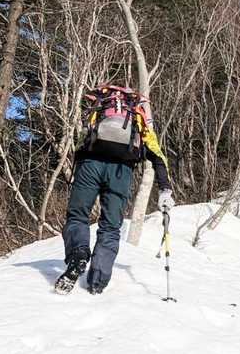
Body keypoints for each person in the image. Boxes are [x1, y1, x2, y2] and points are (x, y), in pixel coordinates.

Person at [57, 83, 174, 294]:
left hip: (90, 164)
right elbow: (157, 154)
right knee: (111, 227)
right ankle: (97, 282)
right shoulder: (138, 116)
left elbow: (82, 142)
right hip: (121, 171)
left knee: (78, 216)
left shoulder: (99, 109)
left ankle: (78, 255)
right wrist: (165, 189)